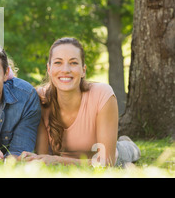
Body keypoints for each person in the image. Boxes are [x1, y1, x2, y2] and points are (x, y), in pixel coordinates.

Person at [20, 37, 140, 167]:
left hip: (111, 154)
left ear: (83, 70)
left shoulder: (102, 94)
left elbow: (107, 163)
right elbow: (42, 158)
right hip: (81, 161)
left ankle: (128, 144)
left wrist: (57, 161)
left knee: (129, 152)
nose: (65, 69)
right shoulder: (40, 99)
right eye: (58, 62)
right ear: (49, 69)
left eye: (73, 63)